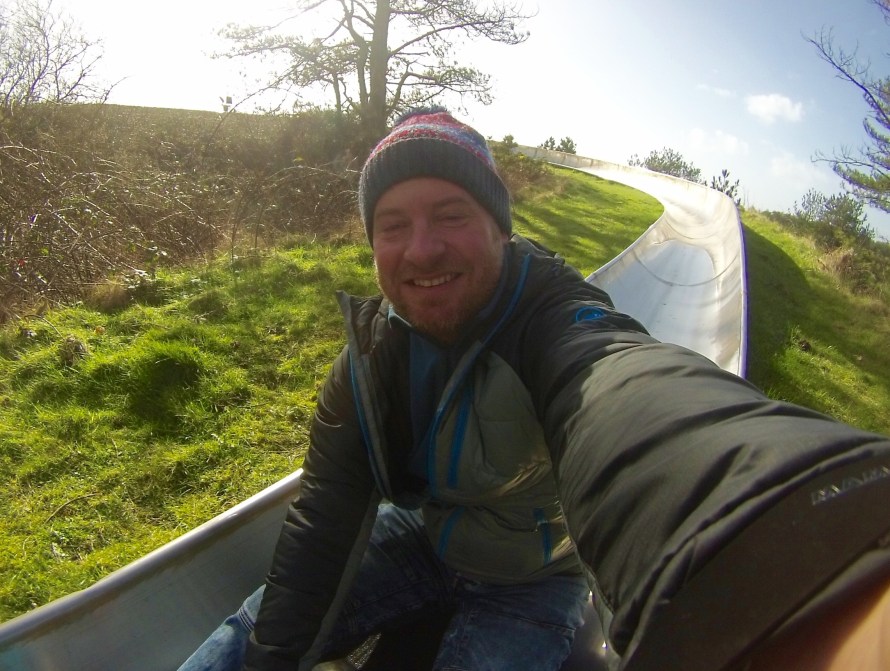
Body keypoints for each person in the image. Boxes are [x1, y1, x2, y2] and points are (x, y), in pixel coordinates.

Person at [180, 108, 890, 671]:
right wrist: (270, 659)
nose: (421, 249)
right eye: (394, 226)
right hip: (424, 539)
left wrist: (777, 513)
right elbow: (325, 518)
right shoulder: (373, 356)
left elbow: (618, 387)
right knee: (251, 634)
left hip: (534, 578)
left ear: (500, 229)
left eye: (451, 215)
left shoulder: (552, 320)